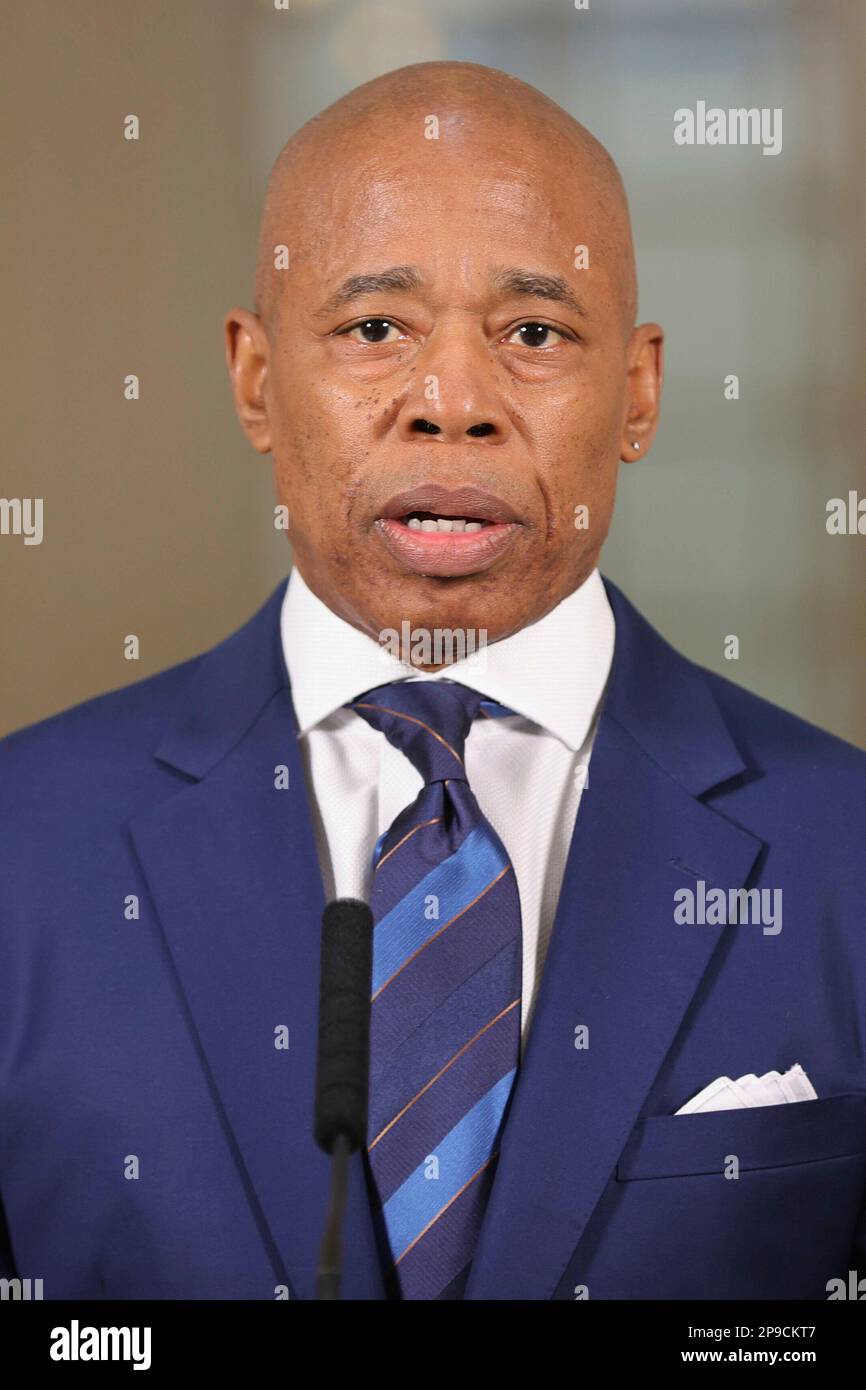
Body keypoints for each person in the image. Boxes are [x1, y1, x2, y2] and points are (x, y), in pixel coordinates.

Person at [1, 61, 864, 1302]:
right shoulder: (21, 848)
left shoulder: (839, 852)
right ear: (254, 381)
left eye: (532, 334)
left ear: (636, 389)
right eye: (373, 330)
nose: (451, 405)